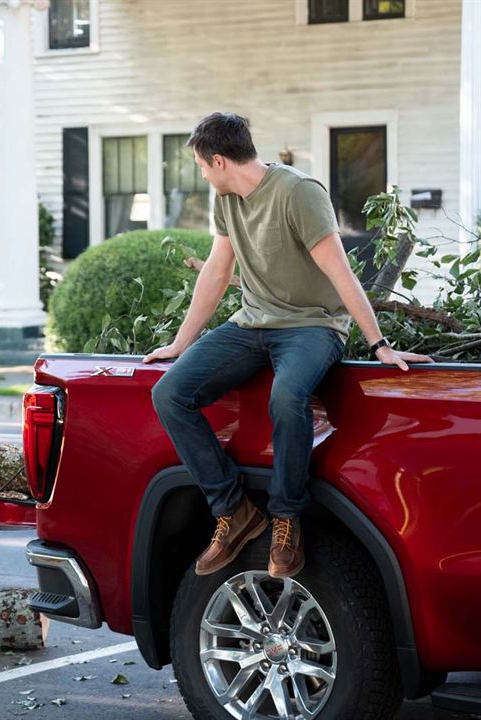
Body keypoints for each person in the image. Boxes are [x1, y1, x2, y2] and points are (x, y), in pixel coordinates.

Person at [145, 112, 431, 579]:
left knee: (287, 396)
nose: (200, 173)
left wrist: (379, 344)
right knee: (170, 393)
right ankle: (234, 510)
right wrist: (181, 342)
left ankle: (287, 518)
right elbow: (217, 272)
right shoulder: (227, 200)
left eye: (200, 164)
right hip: (253, 323)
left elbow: (341, 272)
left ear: (219, 161)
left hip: (312, 326)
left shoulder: (299, 193)